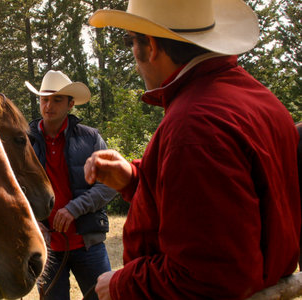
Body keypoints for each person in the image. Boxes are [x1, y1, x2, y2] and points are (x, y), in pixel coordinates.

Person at [84, 1, 300, 299]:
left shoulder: (193, 126)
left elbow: (208, 278)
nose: (133, 57)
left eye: (130, 41)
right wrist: (135, 180)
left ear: (151, 46)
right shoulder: (261, 100)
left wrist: (121, 283)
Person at [26, 70, 117, 300]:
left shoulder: (90, 138)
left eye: (57, 100)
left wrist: (74, 208)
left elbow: (111, 183)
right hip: (48, 250)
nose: (49, 106)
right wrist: (34, 221)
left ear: (70, 104)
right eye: (44, 99)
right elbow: (14, 189)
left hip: (88, 245)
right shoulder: (23, 142)